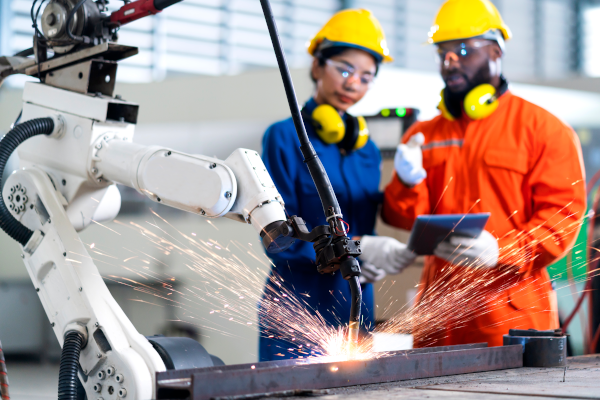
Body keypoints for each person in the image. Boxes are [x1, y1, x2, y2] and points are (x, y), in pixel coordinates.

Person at [382, 0, 586, 347]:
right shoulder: (424, 134)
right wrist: (406, 181)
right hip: (438, 315)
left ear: (495, 50)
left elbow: (562, 217)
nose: (449, 62)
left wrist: (501, 250)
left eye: (462, 50)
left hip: (509, 316)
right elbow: (403, 218)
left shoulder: (544, 129)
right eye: (442, 53)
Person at [259, 9, 415, 361]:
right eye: (344, 69)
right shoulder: (284, 137)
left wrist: (370, 256)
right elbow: (275, 238)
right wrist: (353, 249)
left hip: (354, 305)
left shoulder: (367, 150)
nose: (353, 84)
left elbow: (365, 228)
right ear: (317, 67)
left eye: (366, 77)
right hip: (296, 308)